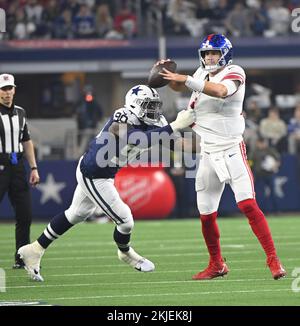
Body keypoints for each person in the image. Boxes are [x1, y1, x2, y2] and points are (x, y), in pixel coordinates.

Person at [17, 85, 196, 281]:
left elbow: (181, 145)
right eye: (148, 106)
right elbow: (137, 139)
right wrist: (174, 125)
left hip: (106, 173)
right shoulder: (122, 116)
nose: (154, 111)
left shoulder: (157, 121)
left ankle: (34, 249)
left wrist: (213, 142)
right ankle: (125, 252)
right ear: (134, 106)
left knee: (76, 214)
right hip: (93, 173)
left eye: (155, 106)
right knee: (125, 219)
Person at [159, 34, 286, 280]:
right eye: (206, 53)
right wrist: (166, 77)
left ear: (224, 54)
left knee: (248, 204)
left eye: (214, 53)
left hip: (231, 149)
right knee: (206, 215)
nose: (209, 57)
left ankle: (273, 259)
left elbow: (219, 91)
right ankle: (216, 264)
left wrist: (184, 79)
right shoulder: (198, 74)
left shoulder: (235, 71)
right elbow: (182, 86)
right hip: (206, 151)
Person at [0, 73, 40, 268]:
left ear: (14, 90)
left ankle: (21, 257)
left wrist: (33, 167)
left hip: (17, 167)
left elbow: (26, 141)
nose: (7, 93)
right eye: (3, 89)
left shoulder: (20, 112)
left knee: (25, 214)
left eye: (10, 88)